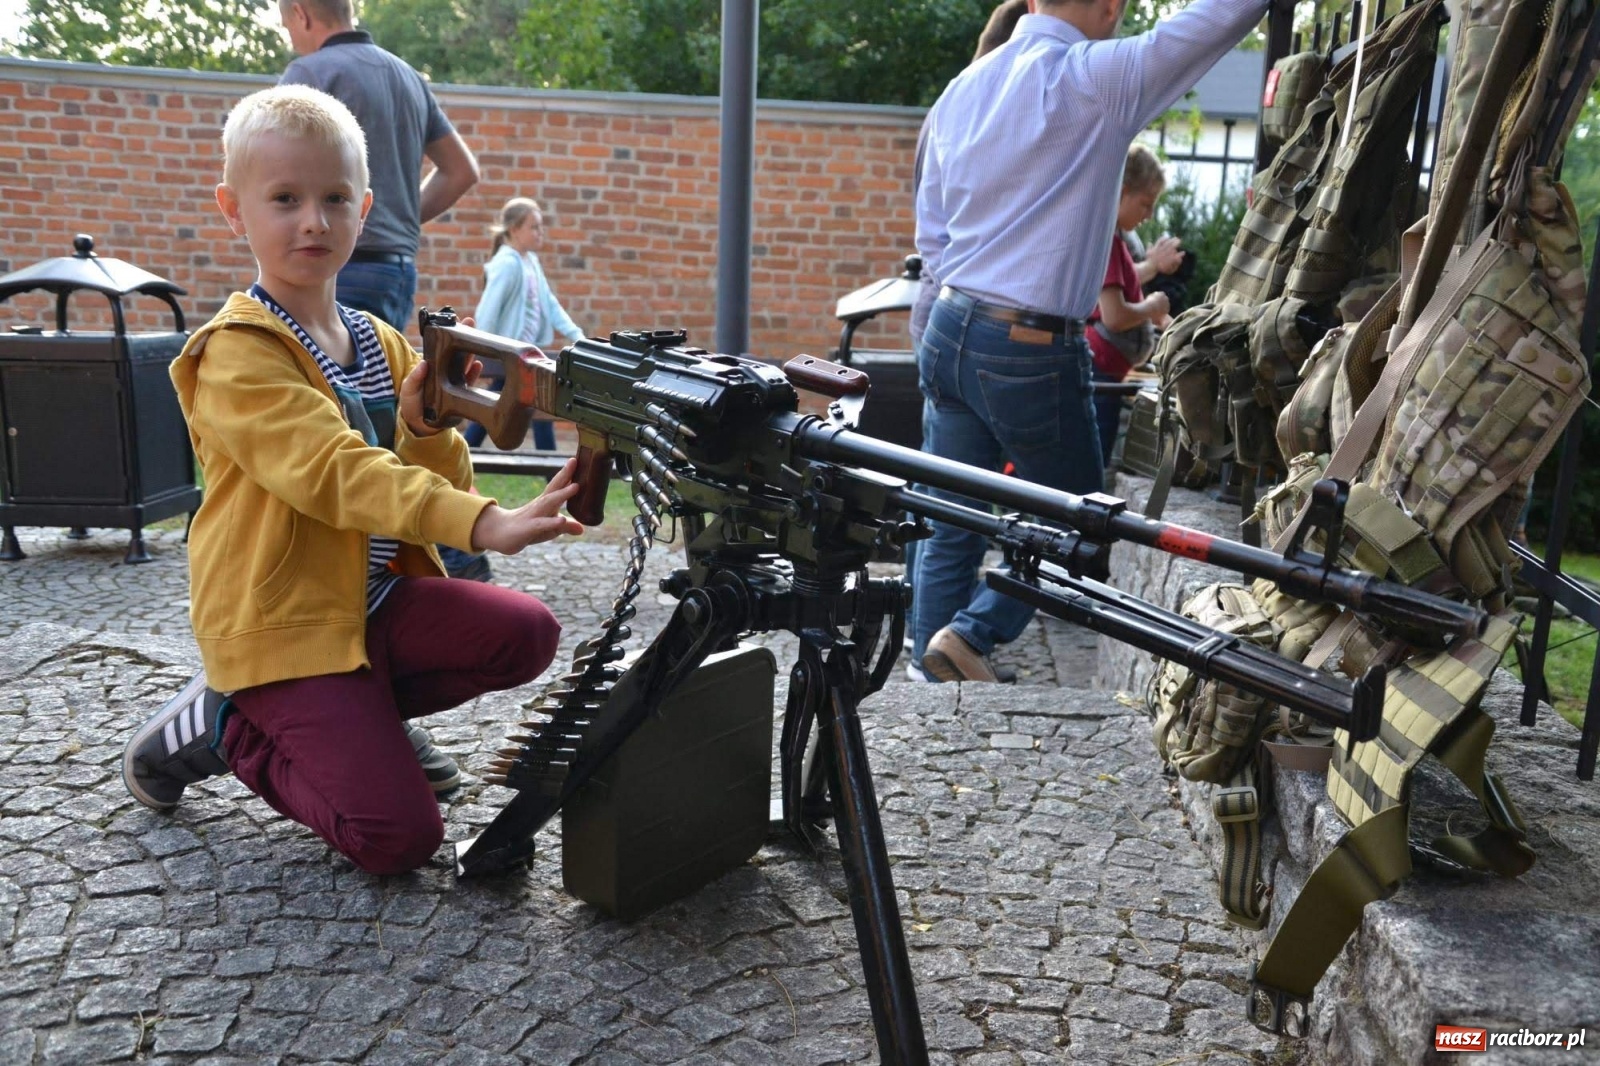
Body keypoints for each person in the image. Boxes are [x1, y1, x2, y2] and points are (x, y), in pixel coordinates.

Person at [120, 86, 585, 876]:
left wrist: (428, 429)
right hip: (285, 624)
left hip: (366, 605)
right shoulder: (235, 352)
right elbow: (332, 472)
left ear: (365, 209)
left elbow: (423, 465)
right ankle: (225, 725)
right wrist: (483, 523)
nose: (313, 220)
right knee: (399, 839)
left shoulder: (379, 342)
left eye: (335, 198)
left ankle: (358, 716)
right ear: (236, 211)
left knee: (526, 631)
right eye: (285, 199)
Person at [913, 0, 1269, 684]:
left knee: (948, 516)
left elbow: (931, 230)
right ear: (1110, 8)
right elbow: (1211, 25)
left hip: (948, 322)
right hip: (1026, 343)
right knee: (1081, 520)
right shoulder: (1094, 77)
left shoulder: (965, 87)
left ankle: (931, 676)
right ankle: (971, 635)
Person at [278, 0, 490, 584]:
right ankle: (449, 554)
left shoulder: (309, 76)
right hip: (396, 264)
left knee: (354, 424)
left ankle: (440, 561)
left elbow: (279, 170)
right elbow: (460, 170)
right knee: (397, 411)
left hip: (341, 268)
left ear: (299, 13)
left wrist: (350, 225)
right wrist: (400, 220)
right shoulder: (404, 75)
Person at [466, 198, 587, 453]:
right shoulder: (507, 264)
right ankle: (467, 453)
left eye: (540, 227)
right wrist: (485, 348)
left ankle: (468, 452)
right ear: (514, 229)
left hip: (524, 355)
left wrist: (576, 334)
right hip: (510, 355)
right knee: (523, 403)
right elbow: (487, 311)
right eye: (534, 227)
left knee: (525, 404)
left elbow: (550, 303)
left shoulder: (530, 261)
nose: (539, 233)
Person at [1089, 144, 1175, 468]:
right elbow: (1113, 317)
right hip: (1100, 374)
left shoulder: (1113, 238)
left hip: (1108, 371)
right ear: (1121, 192)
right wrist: (1151, 308)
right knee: (1092, 468)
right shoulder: (1107, 241)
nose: (1149, 215)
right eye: (1145, 204)